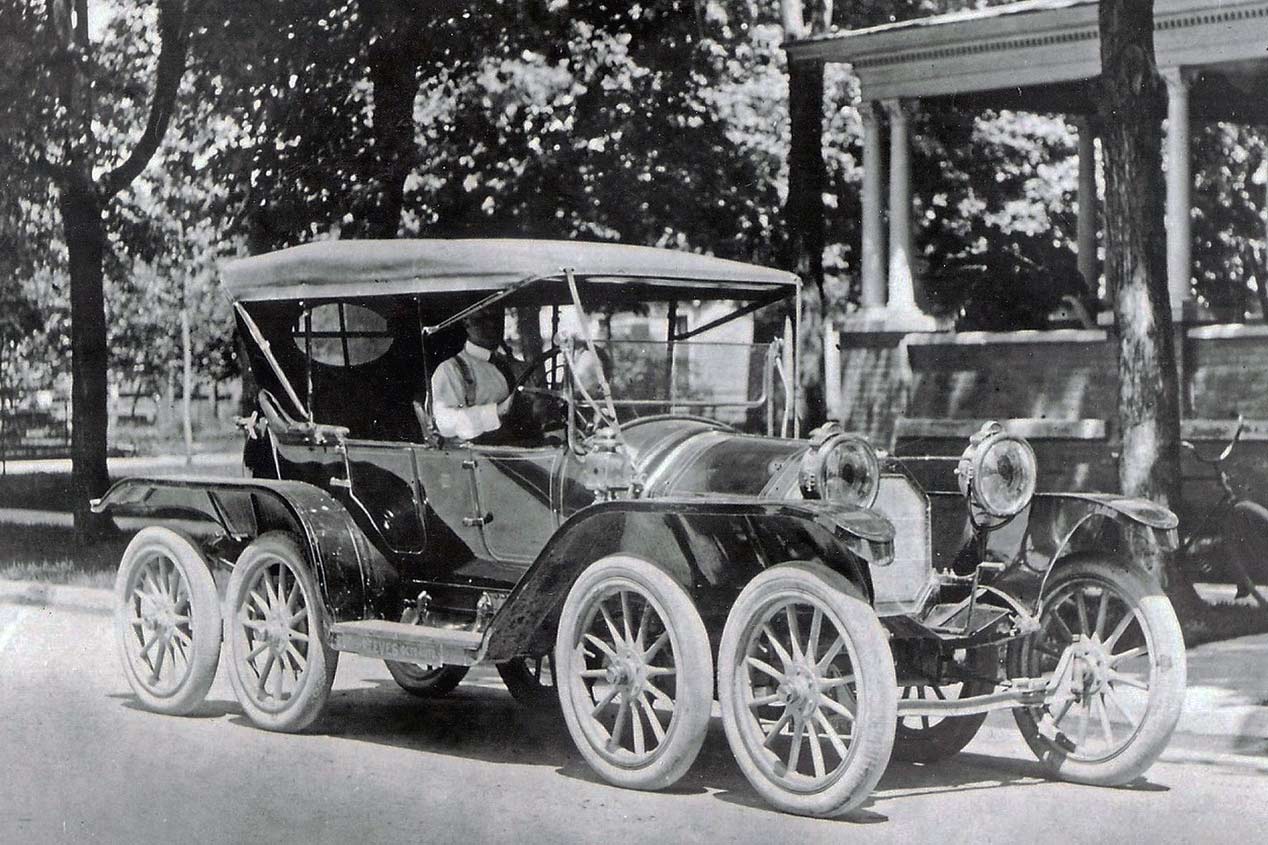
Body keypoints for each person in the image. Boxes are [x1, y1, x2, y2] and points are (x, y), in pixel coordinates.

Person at [429, 307, 523, 443]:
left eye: (495, 319)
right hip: (483, 455)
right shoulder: (450, 370)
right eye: (482, 319)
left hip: (524, 444)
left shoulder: (514, 365)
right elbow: (446, 423)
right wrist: (497, 411)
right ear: (466, 323)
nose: (491, 325)